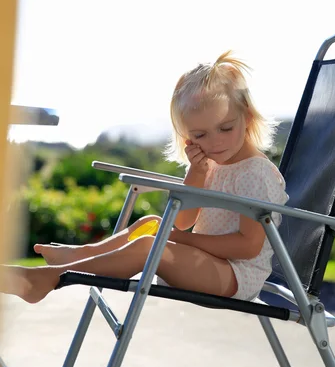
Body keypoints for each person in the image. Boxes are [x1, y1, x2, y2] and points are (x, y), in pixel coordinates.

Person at [1, 51, 288, 304]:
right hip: (210, 263)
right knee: (152, 224)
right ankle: (81, 255)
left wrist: (181, 241)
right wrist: (196, 173)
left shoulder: (255, 173)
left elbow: (248, 247)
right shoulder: (212, 164)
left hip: (235, 276)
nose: (215, 143)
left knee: (151, 245)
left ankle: (50, 279)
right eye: (200, 135)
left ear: (247, 117)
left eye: (226, 128)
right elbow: (183, 222)